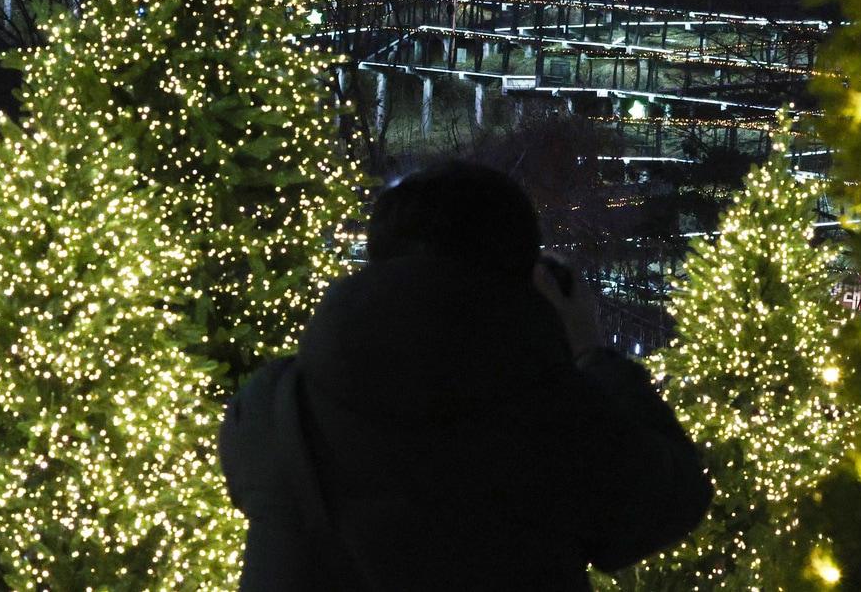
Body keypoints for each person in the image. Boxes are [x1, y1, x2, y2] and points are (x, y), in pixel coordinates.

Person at [219, 161, 713, 590]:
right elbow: (671, 500)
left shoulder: (275, 405)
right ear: (527, 275)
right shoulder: (554, 418)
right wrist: (589, 351)